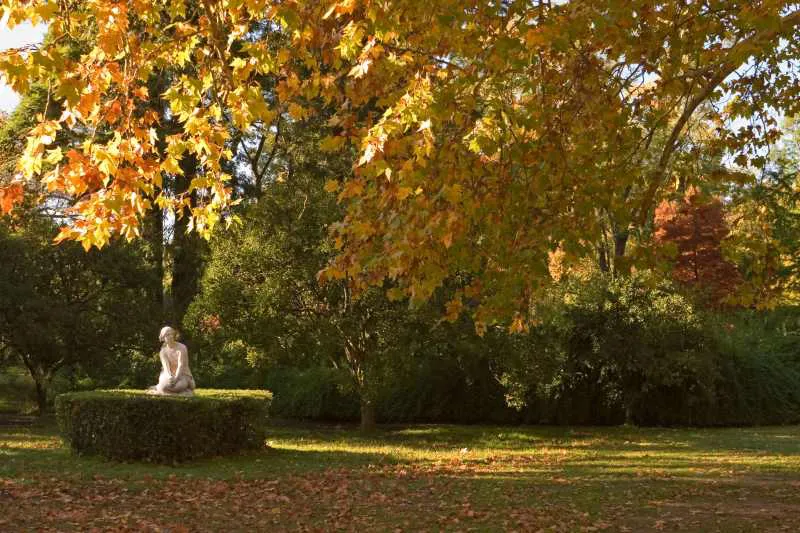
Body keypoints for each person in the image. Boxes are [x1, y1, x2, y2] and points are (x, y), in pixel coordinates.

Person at [152, 326, 195, 395]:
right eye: (168, 335)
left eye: (172, 334)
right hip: (169, 374)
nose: (171, 336)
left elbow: (181, 365)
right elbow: (166, 367)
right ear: (163, 338)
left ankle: (168, 391)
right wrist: (169, 377)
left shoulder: (182, 347)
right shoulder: (163, 351)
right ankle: (179, 393)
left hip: (183, 374)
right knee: (163, 385)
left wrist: (176, 378)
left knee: (179, 386)